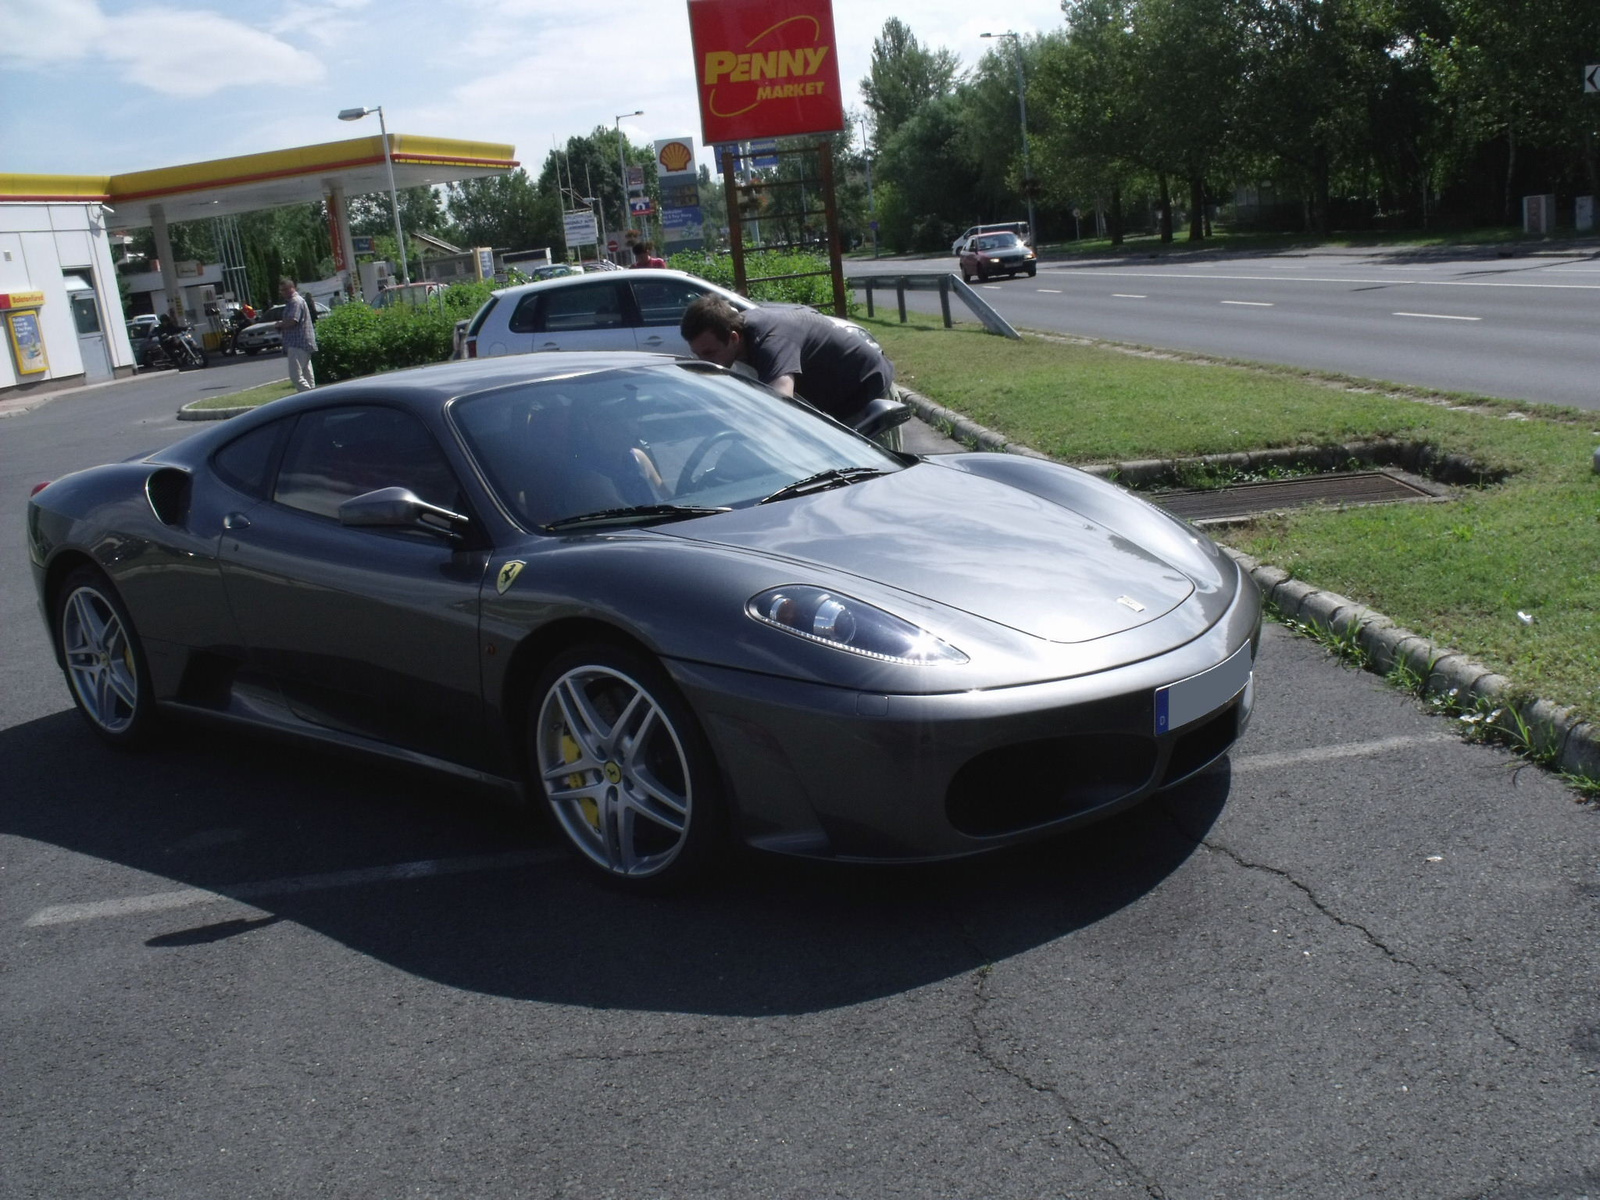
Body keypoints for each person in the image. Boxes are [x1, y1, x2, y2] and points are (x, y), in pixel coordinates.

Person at [679, 295, 896, 426]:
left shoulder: (771, 342)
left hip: (869, 395)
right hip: (833, 402)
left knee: (865, 476)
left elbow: (780, 408)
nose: (704, 362)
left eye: (709, 353)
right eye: (697, 354)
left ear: (733, 338)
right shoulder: (740, 335)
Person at [275, 276, 317, 391]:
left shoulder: (295, 301)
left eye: (284, 290)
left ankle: (307, 397)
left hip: (297, 343)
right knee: (307, 375)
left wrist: (280, 325)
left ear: (292, 288)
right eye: (281, 290)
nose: (282, 293)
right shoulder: (296, 301)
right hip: (304, 343)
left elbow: (293, 320)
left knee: (296, 376)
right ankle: (314, 397)